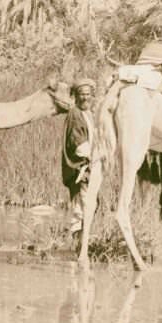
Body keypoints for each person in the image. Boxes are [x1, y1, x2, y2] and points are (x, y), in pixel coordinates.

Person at [62, 78, 97, 250]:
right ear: (76, 96)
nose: (85, 98)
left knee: (88, 205)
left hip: (89, 168)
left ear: (92, 96)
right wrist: (95, 157)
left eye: (88, 94)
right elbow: (79, 145)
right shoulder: (75, 113)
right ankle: (78, 246)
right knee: (81, 207)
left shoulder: (90, 114)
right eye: (81, 95)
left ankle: (83, 244)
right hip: (79, 169)